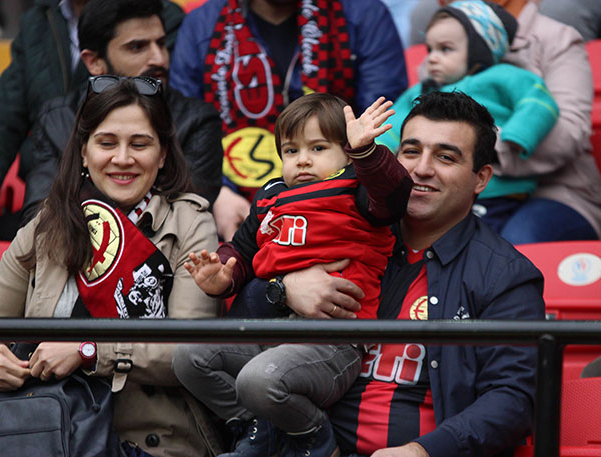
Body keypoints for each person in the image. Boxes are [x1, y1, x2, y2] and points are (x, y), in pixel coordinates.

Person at [231, 91, 546, 456]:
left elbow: (513, 399)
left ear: (481, 178)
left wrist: (423, 451)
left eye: (445, 157)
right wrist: (283, 289)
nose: (421, 169)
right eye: (410, 152)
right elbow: (240, 312)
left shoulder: (504, 275)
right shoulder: (347, 231)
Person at [0, 77, 223, 457]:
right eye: (106, 143)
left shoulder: (189, 222)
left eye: (140, 144)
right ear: (83, 152)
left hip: (150, 443)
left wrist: (88, 351)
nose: (122, 158)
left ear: (163, 154)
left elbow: (188, 352)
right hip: (46, 432)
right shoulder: (48, 224)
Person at [172, 93, 413, 457]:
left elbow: (393, 196)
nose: (302, 160)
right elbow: (242, 251)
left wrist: (368, 153)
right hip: (271, 332)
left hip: (334, 340)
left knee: (259, 379)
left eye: (318, 148)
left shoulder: (357, 188)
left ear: (346, 153)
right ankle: (259, 429)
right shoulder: (270, 196)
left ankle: (316, 438)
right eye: (290, 150)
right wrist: (222, 276)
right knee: (188, 359)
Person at [170, 0, 409, 241]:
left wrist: (342, 195)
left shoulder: (362, 13)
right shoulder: (202, 25)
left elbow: (381, 120)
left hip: (346, 209)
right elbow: (188, 126)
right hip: (231, 208)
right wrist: (218, 192)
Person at [0, 0, 184, 242]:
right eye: (138, 46)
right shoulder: (38, 22)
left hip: (136, 204)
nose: (157, 56)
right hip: (49, 189)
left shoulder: (157, 15)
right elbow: (4, 117)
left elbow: (176, 111)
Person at [404, 0, 601, 243]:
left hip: (556, 189)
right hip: (460, 187)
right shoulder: (445, 37)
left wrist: (480, 152)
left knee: (510, 246)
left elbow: (569, 130)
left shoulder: (557, 38)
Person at [21, 0, 223, 224]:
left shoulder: (197, 121)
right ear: (94, 62)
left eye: (161, 43)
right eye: (137, 47)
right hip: (72, 254)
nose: (159, 58)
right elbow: (39, 219)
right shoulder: (58, 118)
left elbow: (186, 221)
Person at [377, 0, 559, 238]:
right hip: (440, 196)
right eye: (430, 49)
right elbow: (393, 123)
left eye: (446, 49)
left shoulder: (504, 76)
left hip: (500, 192)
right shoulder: (423, 89)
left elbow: (539, 102)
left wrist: (518, 134)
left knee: (480, 244)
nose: (432, 58)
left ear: (480, 51)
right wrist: (375, 150)